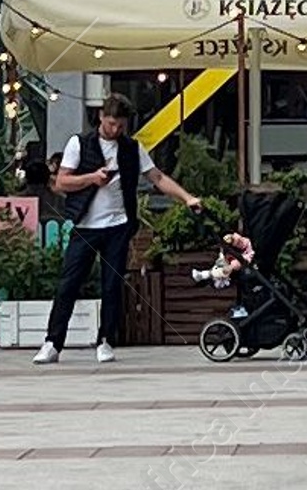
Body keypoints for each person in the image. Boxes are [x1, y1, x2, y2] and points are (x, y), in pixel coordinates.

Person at [36, 93, 203, 366]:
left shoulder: (132, 148)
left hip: (118, 225)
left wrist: (187, 197)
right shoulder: (79, 143)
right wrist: (92, 178)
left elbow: (157, 177)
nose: (114, 130)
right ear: (101, 117)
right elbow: (62, 182)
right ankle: (53, 342)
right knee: (68, 284)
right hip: (85, 225)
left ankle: (105, 341)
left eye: (120, 125)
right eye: (111, 123)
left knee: (112, 285)